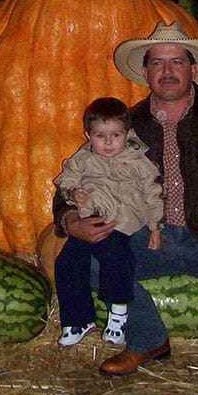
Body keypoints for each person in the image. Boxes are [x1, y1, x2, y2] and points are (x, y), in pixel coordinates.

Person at [53, 21, 198, 393]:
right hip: (145, 237)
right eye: (158, 63)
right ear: (145, 73)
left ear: (193, 69)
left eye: (177, 62)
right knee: (90, 262)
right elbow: (74, 175)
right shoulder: (126, 126)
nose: (168, 71)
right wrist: (71, 219)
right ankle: (148, 340)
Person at [53, 97, 164, 348]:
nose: (109, 142)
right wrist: (74, 193)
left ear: (128, 133)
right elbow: (66, 182)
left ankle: (118, 311)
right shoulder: (83, 158)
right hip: (90, 217)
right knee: (68, 259)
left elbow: (153, 194)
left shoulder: (138, 161)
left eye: (116, 135)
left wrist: (156, 228)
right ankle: (78, 319)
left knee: (115, 256)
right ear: (88, 135)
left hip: (123, 221)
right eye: (100, 136)